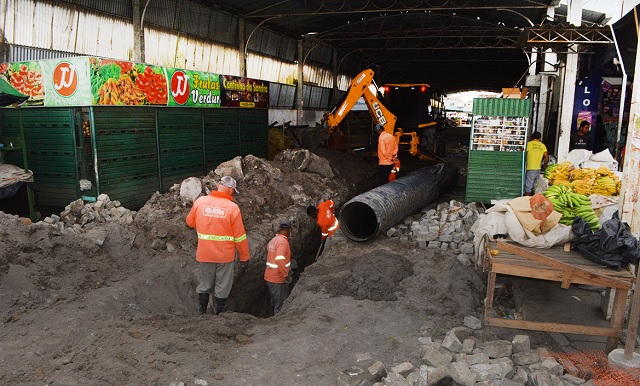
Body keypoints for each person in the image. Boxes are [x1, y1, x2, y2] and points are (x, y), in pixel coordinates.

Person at [186, 175, 250, 315]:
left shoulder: (201, 201)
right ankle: (219, 317)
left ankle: (202, 314)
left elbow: (190, 222)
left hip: (205, 253)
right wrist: (244, 257)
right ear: (231, 190)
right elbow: (239, 236)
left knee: (205, 285)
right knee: (222, 288)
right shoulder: (232, 208)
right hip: (224, 256)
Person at [264, 220, 292, 315]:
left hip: (269, 276)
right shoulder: (283, 242)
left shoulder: (273, 240)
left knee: (275, 301)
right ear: (289, 230)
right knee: (281, 304)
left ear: (280, 229)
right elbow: (279, 259)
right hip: (277, 278)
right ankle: (277, 323)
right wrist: (286, 274)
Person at [524, 131, 548, 196]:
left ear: (531, 137)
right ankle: (532, 201)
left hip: (530, 168)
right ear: (539, 138)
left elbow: (524, 154)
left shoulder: (528, 144)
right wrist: (544, 165)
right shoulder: (542, 145)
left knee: (528, 187)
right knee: (534, 187)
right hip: (538, 168)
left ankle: (525, 202)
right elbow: (546, 157)